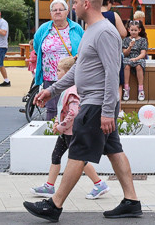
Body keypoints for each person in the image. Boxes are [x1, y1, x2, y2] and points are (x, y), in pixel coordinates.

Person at [25, 0, 142, 221]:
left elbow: (112, 72)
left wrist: (108, 111)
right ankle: (131, 201)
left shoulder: (105, 32)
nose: (73, 6)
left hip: (97, 104)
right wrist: (52, 90)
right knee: (114, 150)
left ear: (86, 4)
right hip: (97, 103)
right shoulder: (91, 30)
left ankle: (55, 205)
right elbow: (79, 67)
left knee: (77, 153)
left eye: (76, 2)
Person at [31, 56, 109, 199]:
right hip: (66, 131)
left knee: (80, 160)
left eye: (59, 70)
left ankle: (99, 183)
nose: (57, 73)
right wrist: (57, 122)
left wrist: (60, 126)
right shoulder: (67, 90)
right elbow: (63, 110)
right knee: (57, 155)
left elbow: (73, 113)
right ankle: (49, 186)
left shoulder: (72, 91)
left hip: (71, 132)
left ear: (69, 73)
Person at [32, 0, 84, 120]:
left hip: (70, 75)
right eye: (54, 10)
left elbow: (83, 46)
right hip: (49, 75)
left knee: (72, 106)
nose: (58, 12)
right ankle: (51, 133)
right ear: (50, 13)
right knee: (51, 108)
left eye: (61, 9)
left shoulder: (76, 28)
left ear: (67, 12)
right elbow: (37, 44)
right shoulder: (44, 28)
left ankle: (71, 132)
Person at [121, 20, 149, 102]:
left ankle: (141, 89)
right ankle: (126, 88)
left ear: (139, 30)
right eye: (132, 30)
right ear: (128, 30)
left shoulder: (143, 40)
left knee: (139, 66)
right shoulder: (125, 40)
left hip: (138, 57)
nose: (133, 32)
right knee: (126, 65)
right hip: (128, 57)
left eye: (135, 30)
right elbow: (124, 53)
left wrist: (136, 59)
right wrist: (129, 47)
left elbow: (143, 53)